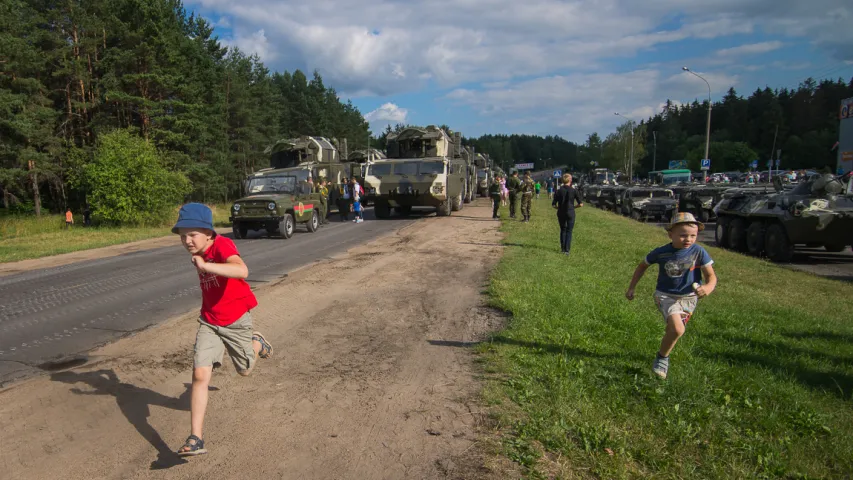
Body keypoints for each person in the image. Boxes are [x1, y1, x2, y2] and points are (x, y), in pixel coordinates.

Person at [171, 203, 274, 457]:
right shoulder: (198, 249)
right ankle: (196, 438)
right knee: (200, 374)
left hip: (237, 319)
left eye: (192, 234)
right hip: (210, 320)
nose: (187, 240)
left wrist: (207, 266)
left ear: (208, 232)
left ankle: (257, 342)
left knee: (245, 369)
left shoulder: (222, 246)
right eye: (183, 235)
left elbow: (242, 270)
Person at [624, 212, 717, 379]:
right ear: (670, 234)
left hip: (689, 298)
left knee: (672, 330)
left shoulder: (699, 252)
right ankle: (662, 359)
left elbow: (711, 276)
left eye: (693, 235)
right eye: (683, 235)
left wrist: (708, 287)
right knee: (678, 329)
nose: (688, 239)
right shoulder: (661, 252)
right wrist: (631, 287)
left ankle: (664, 350)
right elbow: (642, 266)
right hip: (665, 295)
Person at [551, 173, 583, 255]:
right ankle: (567, 250)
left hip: (561, 212)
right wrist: (574, 207)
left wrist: (559, 208)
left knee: (563, 230)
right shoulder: (574, 190)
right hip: (570, 211)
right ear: (570, 180)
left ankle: (562, 248)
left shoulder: (558, 191)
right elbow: (581, 204)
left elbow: (554, 204)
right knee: (569, 230)